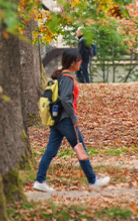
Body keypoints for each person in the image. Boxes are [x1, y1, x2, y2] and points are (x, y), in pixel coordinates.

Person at [32, 49, 110, 193]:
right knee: (80, 148)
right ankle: (92, 180)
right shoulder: (67, 77)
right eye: (79, 60)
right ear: (73, 62)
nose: (81, 62)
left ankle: (40, 180)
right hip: (66, 120)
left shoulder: (62, 76)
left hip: (57, 120)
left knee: (50, 151)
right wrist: (74, 118)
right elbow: (65, 99)